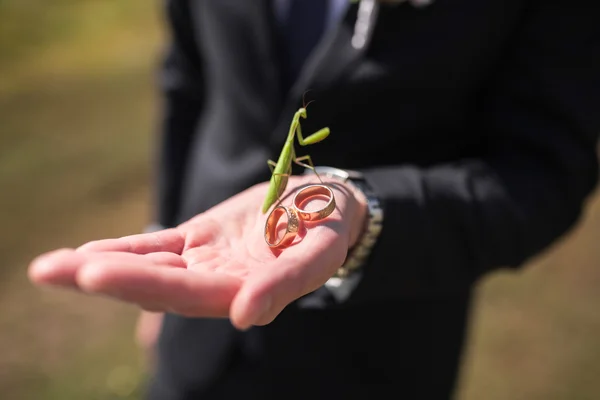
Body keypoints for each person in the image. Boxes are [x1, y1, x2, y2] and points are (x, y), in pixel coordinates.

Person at [28, 0, 600, 399]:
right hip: (192, 340)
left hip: (375, 362)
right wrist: (165, 229)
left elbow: (543, 171)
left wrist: (361, 204)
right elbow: (188, 81)